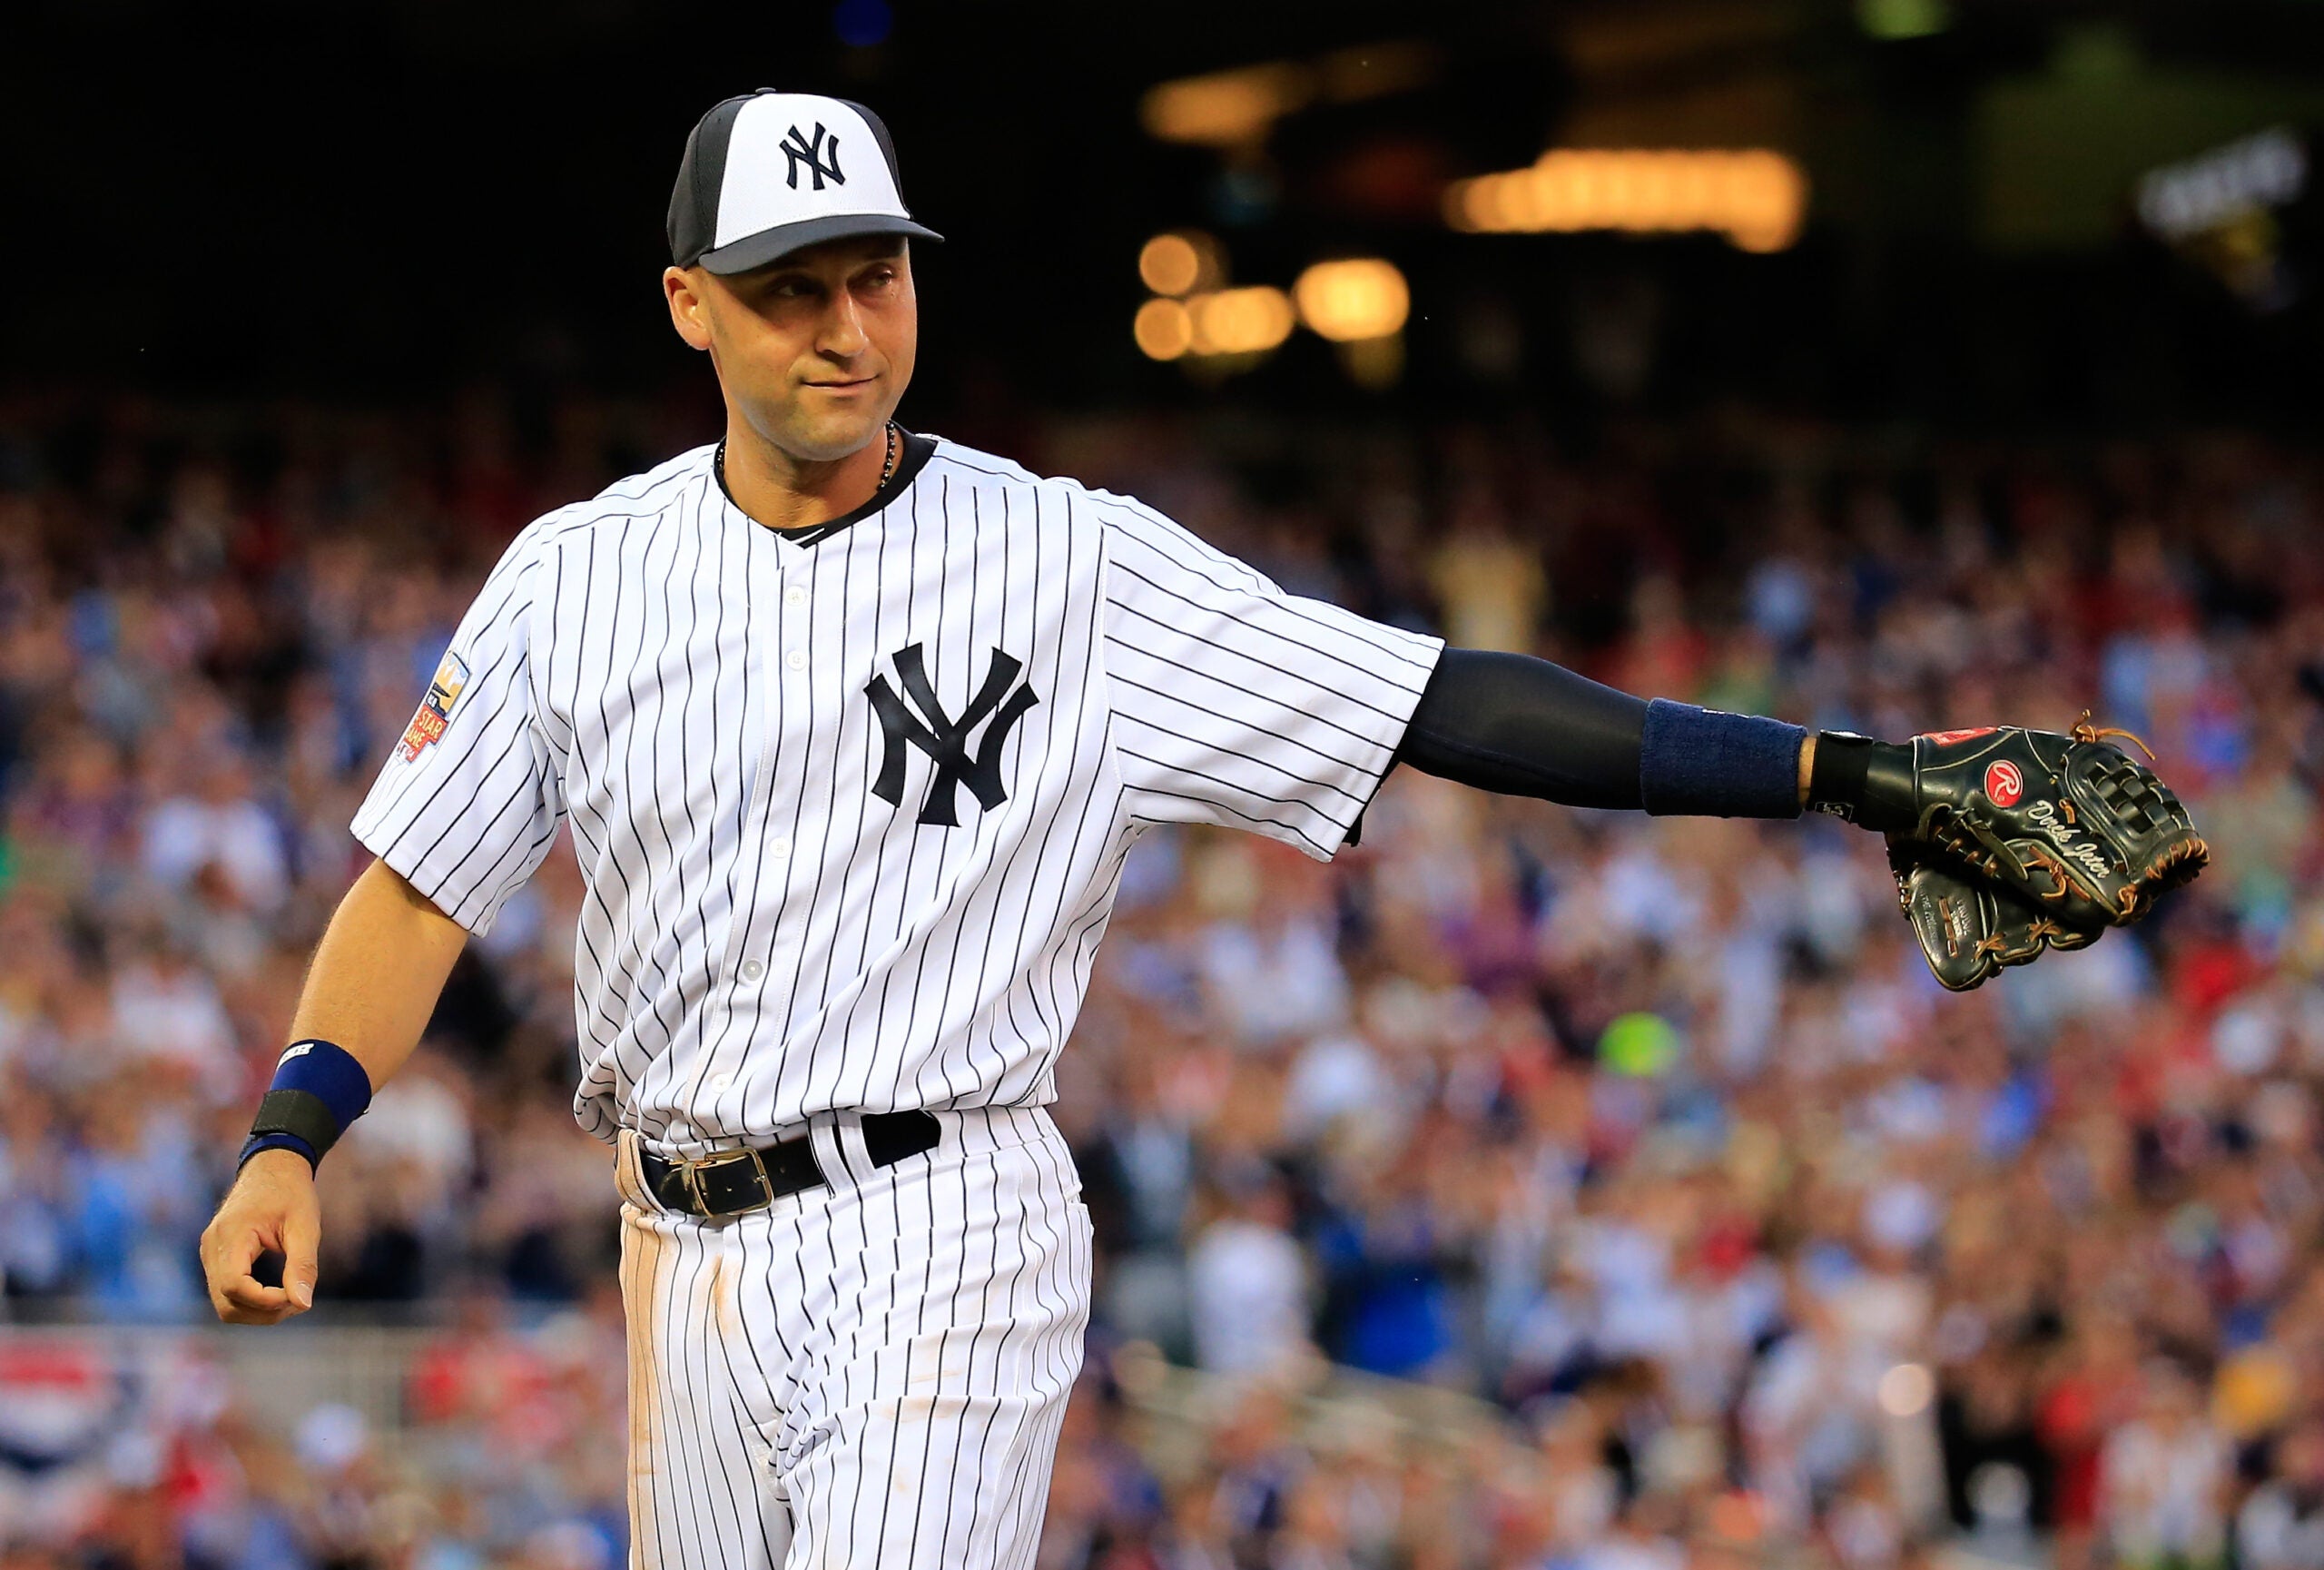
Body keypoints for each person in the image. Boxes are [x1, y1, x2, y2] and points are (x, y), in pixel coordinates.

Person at [197, 89, 2185, 1570]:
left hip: (937, 1215)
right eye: (786, 288)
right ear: (685, 307)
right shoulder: (576, 575)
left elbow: (1438, 702)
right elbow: (416, 880)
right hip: (673, 1247)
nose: (843, 326)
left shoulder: (1067, 564)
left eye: (873, 274)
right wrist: (293, 1135)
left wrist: (1839, 772)